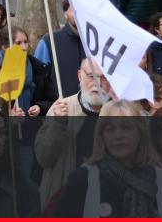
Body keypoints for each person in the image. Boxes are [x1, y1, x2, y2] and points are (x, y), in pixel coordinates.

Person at [51, 100, 162, 217]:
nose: (118, 136)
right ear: (102, 136)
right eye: (110, 129)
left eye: (126, 128)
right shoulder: (85, 178)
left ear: (140, 132)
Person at [34, 57, 115, 205]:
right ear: (79, 75)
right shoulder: (61, 108)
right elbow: (43, 158)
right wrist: (57, 124)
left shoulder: (118, 113)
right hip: (65, 200)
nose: (97, 83)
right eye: (92, 76)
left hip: (105, 200)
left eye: (104, 78)